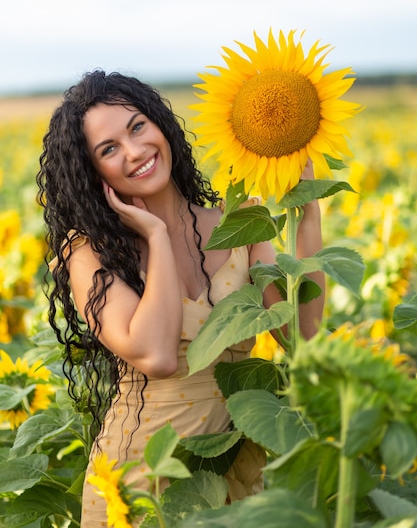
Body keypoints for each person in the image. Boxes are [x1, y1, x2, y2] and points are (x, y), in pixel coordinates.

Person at [37, 70, 324, 527]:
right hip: (141, 479)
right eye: (108, 149)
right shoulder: (88, 252)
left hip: (229, 466)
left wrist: (309, 215)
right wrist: (156, 235)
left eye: (137, 127)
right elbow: (157, 355)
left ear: (161, 126)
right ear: (94, 172)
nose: (134, 152)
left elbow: (300, 333)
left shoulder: (240, 222)